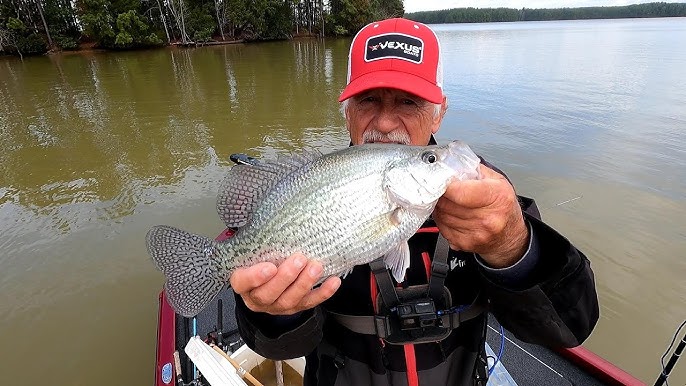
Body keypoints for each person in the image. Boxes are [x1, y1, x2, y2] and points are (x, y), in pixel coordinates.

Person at [231, 18, 599, 385]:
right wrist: (275, 314)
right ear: (347, 112)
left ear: (440, 110)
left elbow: (569, 328)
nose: (387, 123)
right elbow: (281, 348)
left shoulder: (487, 199)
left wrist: (513, 246)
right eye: (369, 100)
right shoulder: (313, 192)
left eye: (409, 101)